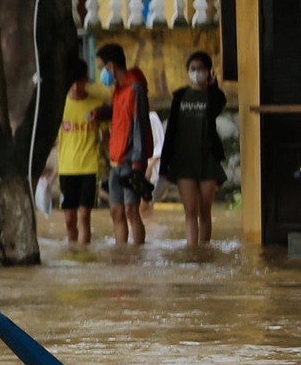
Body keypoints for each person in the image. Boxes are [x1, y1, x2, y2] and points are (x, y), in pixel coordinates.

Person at [159, 50, 228, 245]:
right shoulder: (180, 97)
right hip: (184, 161)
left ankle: (204, 250)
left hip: (208, 159)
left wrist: (214, 87)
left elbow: (217, 107)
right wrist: (164, 167)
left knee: (205, 211)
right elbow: (171, 132)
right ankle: (192, 250)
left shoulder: (213, 96)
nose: (196, 72)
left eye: (200, 69)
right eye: (193, 69)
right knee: (190, 210)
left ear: (209, 72)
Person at [97, 42, 152, 246]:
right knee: (116, 210)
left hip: (131, 160)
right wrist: (100, 113)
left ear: (111, 65)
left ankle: (138, 254)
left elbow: (140, 125)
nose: (102, 72)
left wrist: (138, 160)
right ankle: (122, 253)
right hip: (116, 160)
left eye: (102, 66)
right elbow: (118, 112)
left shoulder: (135, 89)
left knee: (131, 210)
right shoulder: (119, 90)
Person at [55, 55, 110, 245]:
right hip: (66, 167)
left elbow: (107, 136)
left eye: (80, 82)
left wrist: (111, 162)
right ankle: (73, 255)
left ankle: (84, 259)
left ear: (86, 80)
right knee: (69, 218)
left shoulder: (98, 105)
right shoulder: (59, 105)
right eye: (73, 82)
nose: (77, 87)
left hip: (90, 167)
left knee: (84, 216)